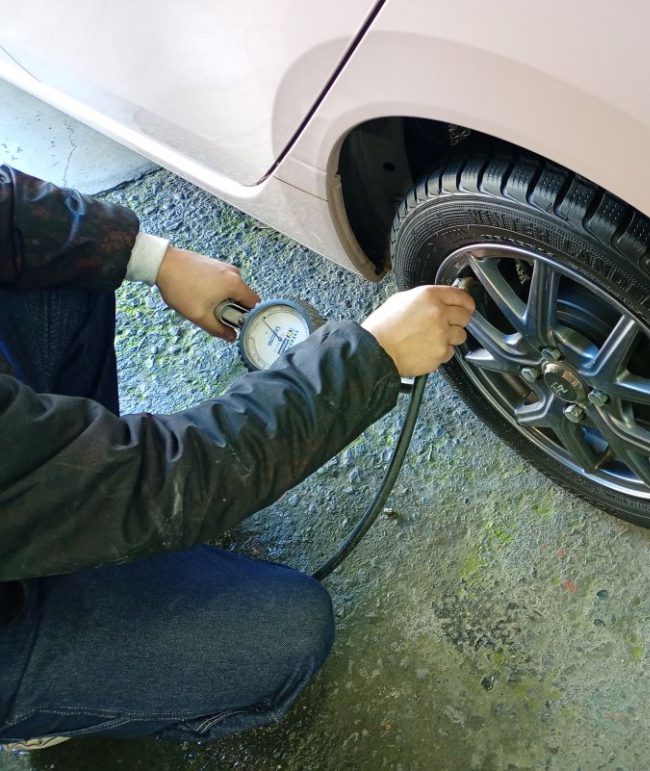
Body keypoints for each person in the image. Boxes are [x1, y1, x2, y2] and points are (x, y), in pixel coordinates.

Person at [0, 165, 475, 748]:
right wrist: (366, 359)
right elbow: (156, 482)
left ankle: (70, 515)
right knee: (283, 633)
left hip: (34, 479)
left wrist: (154, 259)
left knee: (67, 264)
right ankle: (44, 713)